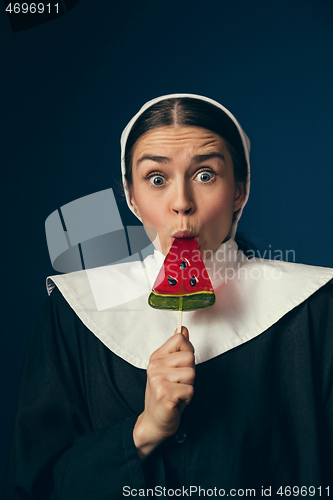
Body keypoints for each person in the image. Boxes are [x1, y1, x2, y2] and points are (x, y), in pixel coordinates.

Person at [6, 94, 333, 499]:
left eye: (205, 174)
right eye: (156, 179)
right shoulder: (71, 312)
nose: (181, 203)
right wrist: (144, 430)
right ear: (131, 196)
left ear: (240, 191)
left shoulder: (317, 306)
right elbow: (38, 486)